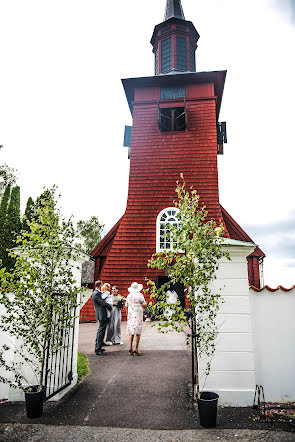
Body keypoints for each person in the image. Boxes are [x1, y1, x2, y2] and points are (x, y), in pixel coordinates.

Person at [126, 281, 147, 356]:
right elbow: (144, 305)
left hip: (130, 315)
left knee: (131, 331)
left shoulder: (129, 295)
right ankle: (136, 349)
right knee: (137, 332)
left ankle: (130, 348)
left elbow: (126, 306)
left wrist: (127, 314)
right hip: (138, 315)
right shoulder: (140, 295)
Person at [92, 280, 112, 356]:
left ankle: (99, 346)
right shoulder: (96, 293)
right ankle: (97, 349)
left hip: (101, 314)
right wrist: (109, 306)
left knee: (101, 330)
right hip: (102, 314)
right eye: (102, 284)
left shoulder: (96, 293)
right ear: (100, 285)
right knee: (101, 331)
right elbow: (102, 303)